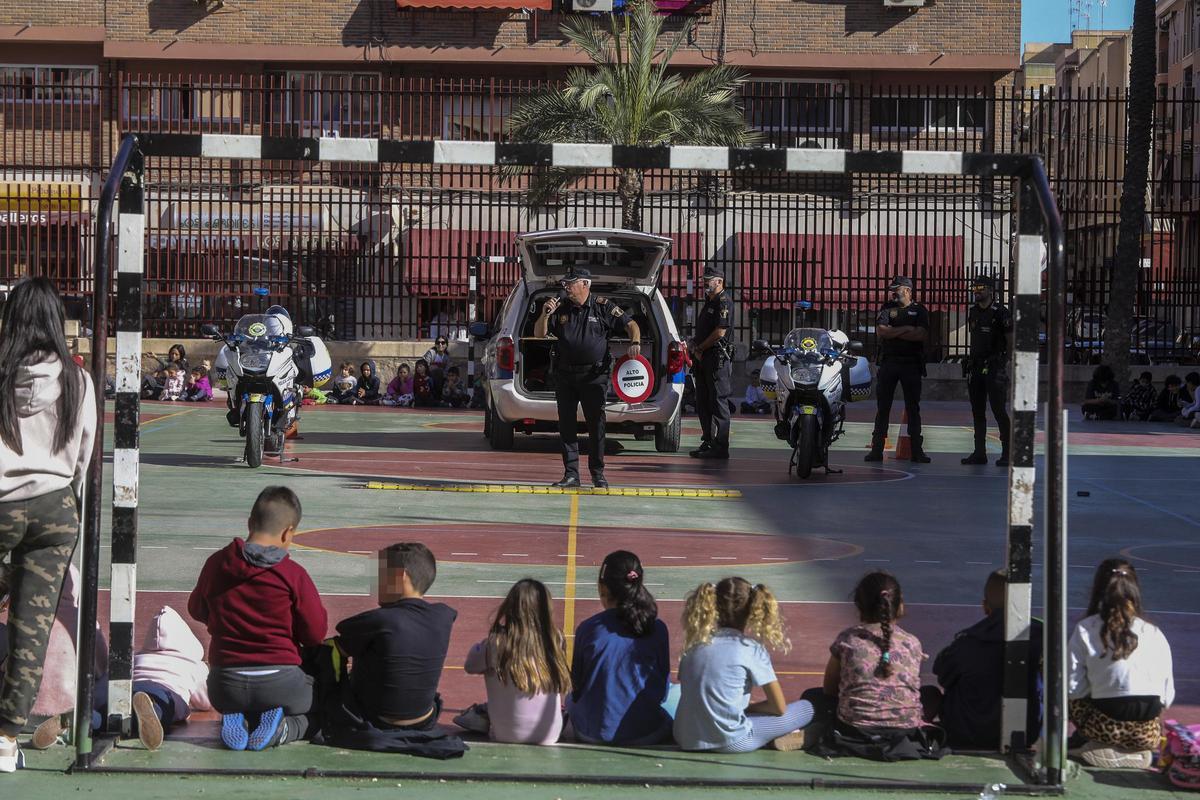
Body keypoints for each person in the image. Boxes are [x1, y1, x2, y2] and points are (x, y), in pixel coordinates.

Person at [0, 277, 98, 774]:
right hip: (55, 508)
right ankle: (3, 738)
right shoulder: (77, 381)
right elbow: (83, 455)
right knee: (31, 629)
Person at [188, 486, 328, 751]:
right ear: (288, 533)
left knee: (245, 701)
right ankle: (284, 729)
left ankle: (238, 716)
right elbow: (314, 634)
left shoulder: (216, 564)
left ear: (250, 522)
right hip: (280, 682)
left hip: (224, 685)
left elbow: (197, 608)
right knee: (321, 706)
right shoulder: (292, 574)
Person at [807, 571, 946, 761]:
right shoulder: (912, 642)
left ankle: (810, 733)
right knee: (931, 694)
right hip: (904, 732)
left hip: (855, 730)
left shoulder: (848, 639)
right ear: (899, 606)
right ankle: (915, 720)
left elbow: (829, 689)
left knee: (812, 697)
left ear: (858, 606)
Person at [673, 578, 811, 753]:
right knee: (807, 708)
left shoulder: (694, 646)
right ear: (753, 610)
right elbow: (779, 707)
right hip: (731, 741)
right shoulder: (750, 648)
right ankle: (803, 734)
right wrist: (750, 708)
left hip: (685, 738)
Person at [534, 267, 641, 489]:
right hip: (565, 376)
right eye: (566, 284)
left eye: (571, 283)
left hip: (593, 376)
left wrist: (635, 342)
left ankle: (597, 473)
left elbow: (631, 325)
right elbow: (539, 334)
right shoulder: (560, 308)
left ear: (585, 284)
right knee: (566, 425)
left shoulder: (603, 306)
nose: (566, 287)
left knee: (596, 425)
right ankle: (571, 474)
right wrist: (545, 313)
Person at [333, 543, 457, 733]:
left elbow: (340, 640)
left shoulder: (380, 620)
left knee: (329, 652)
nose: (375, 585)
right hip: (424, 719)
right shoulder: (444, 616)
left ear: (400, 576)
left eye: (380, 576)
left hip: (376, 719)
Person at [1069, 558, 1174, 769]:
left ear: (1097, 590)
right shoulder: (1154, 632)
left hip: (1104, 725)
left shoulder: (1086, 628)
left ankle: (1094, 743)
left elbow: (1073, 688)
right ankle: (1134, 750)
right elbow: (1167, 696)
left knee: (1052, 667)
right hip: (1147, 732)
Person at [567, 551, 673, 746]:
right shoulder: (657, 628)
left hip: (593, 733)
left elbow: (577, 688)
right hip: (645, 733)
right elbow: (663, 691)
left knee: (569, 702)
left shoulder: (589, 628)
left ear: (603, 588)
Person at [933, 570, 1042, 750]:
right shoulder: (1042, 636)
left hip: (968, 733)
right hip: (1025, 733)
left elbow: (943, 675)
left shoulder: (968, 641)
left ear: (985, 606)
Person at [456, 579, 570, 744]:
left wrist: (485, 644)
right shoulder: (555, 639)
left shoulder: (496, 643)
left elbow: (470, 665)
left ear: (510, 609)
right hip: (550, 734)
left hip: (506, 735)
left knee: (475, 716)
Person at [866, 277, 931, 463]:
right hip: (889, 363)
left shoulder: (919, 310)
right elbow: (882, 332)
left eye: (897, 289)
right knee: (883, 407)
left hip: (911, 364)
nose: (893, 292)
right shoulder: (887, 308)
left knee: (913, 408)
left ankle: (916, 450)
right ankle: (876, 449)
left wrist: (895, 331)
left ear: (908, 290)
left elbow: (921, 335)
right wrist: (906, 329)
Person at [961, 276, 1011, 467]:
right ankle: (979, 452)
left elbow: (1011, 339)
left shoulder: (1001, 313)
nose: (976, 291)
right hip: (976, 365)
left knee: (998, 409)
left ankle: (1007, 453)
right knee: (977, 411)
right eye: (975, 287)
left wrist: (1006, 363)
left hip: (994, 366)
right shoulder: (973, 312)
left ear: (991, 290)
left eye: (980, 288)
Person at [688, 266, 734, 459]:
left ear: (719, 281)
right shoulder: (709, 301)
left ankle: (720, 445)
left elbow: (720, 332)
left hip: (717, 358)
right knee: (703, 400)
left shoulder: (724, 301)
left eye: (709, 280)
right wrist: (693, 344)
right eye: (704, 280)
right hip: (703, 358)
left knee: (718, 401)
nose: (705, 283)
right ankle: (708, 440)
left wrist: (700, 348)